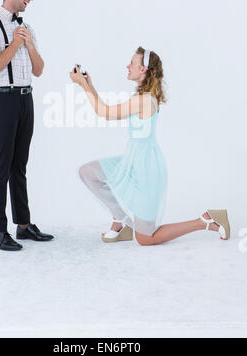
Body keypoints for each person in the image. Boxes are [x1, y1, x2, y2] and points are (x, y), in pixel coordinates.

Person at [70, 49, 230, 245]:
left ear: (143, 68)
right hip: (133, 162)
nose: (127, 66)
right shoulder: (144, 96)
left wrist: (83, 85)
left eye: (131, 63)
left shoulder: (143, 100)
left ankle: (205, 220)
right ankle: (121, 220)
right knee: (88, 172)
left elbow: (104, 112)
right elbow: (105, 109)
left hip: (146, 169)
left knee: (145, 239)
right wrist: (90, 86)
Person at [0, 0, 54, 251]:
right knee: (1, 165)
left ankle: (23, 225)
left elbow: (39, 69)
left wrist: (29, 44)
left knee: (19, 165)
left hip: (25, 99)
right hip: (2, 101)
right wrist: (15, 45)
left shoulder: (27, 28)